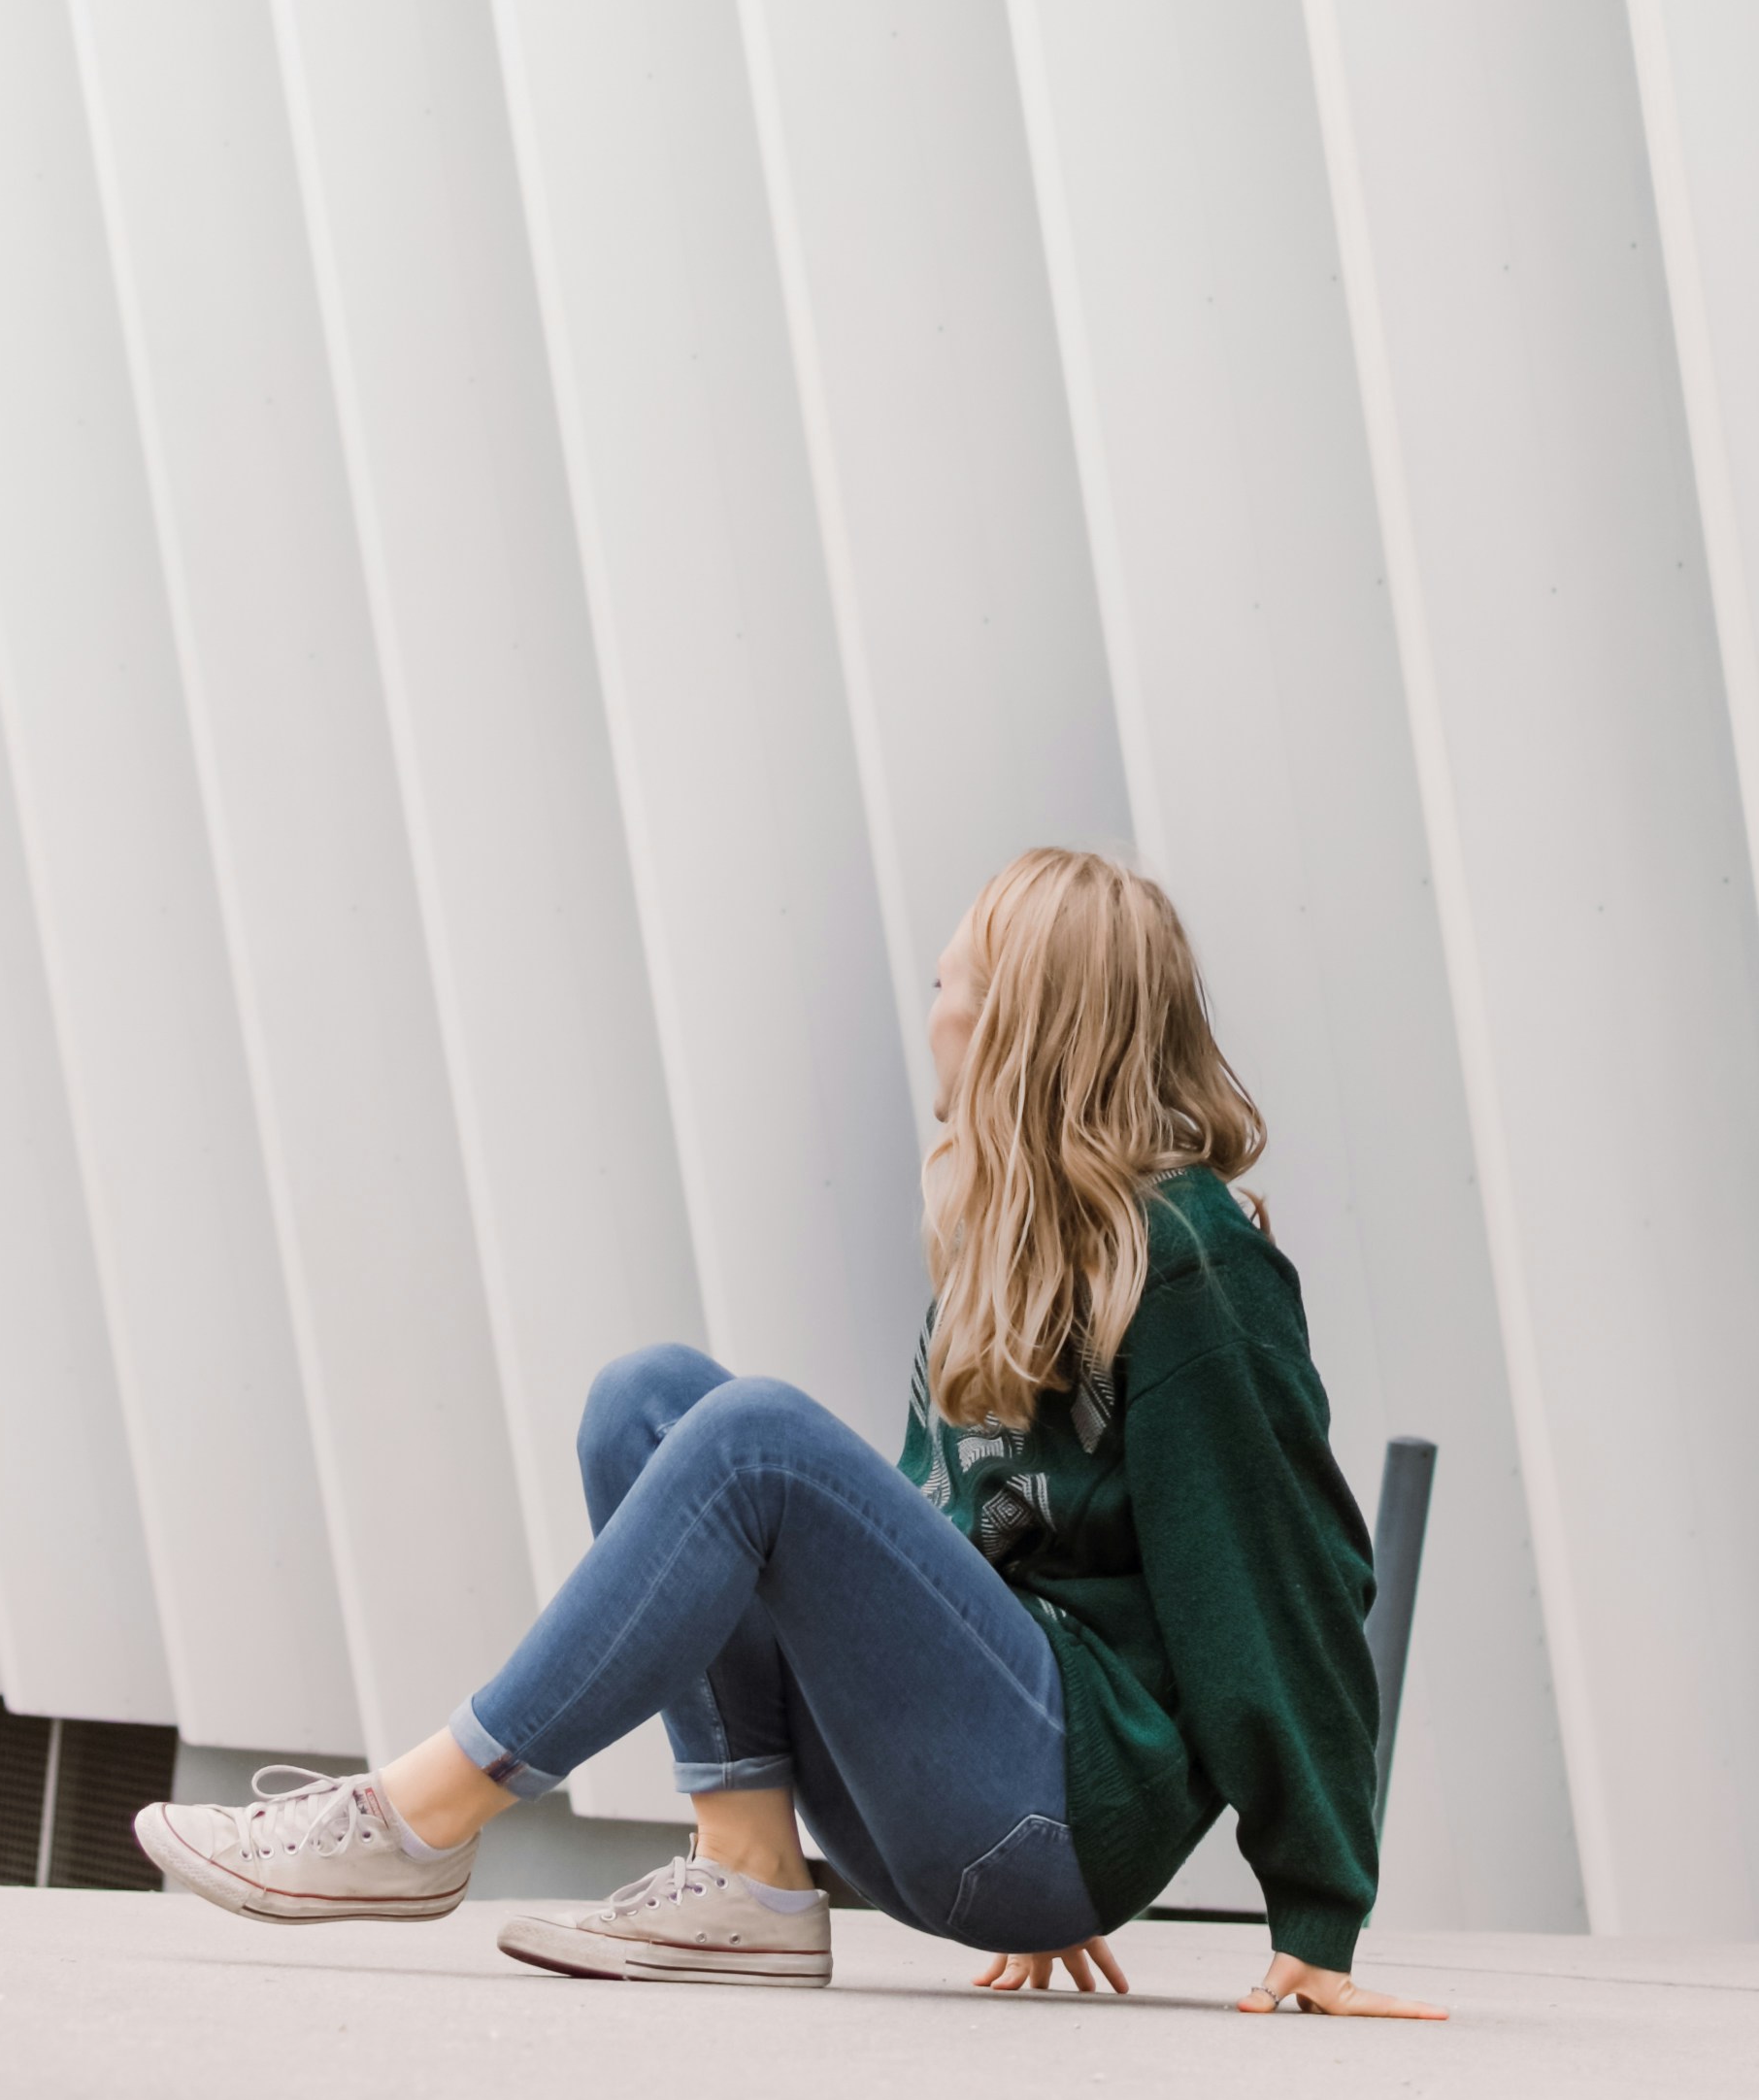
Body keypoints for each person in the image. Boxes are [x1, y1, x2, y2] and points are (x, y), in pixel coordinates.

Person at [135, 846, 1444, 2019]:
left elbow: (1285, 1582)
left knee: (755, 1436)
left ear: (1017, 1025)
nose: (932, 1013)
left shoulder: (1195, 1266)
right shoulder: (1006, 1250)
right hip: (965, 1800)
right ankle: (749, 1881)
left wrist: (1315, 1911)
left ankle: (413, 1821)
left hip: (1051, 1807)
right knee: (647, 1401)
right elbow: (953, 1558)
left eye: (951, 982)